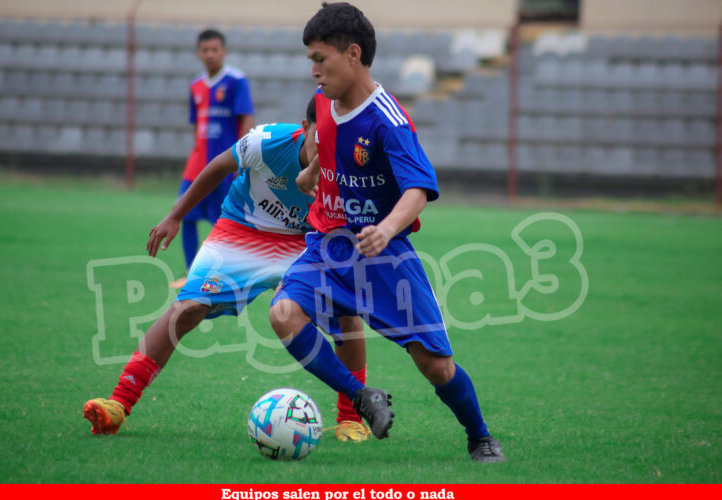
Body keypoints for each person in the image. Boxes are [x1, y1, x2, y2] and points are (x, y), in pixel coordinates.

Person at [268, 2, 505, 462]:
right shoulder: (324, 103)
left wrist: (387, 228)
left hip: (383, 254)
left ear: (352, 54)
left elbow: (420, 187)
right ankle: (361, 398)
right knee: (283, 314)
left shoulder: (387, 118)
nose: (314, 71)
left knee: (435, 366)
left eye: (321, 59)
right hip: (328, 245)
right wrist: (313, 171)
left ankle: (479, 435)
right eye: (310, 61)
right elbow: (334, 151)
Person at [83, 98, 371, 442]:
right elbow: (219, 166)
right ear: (305, 127)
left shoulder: (349, 166)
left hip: (305, 242)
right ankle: (118, 403)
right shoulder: (266, 142)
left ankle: (352, 419)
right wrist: (175, 215)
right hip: (242, 230)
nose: (326, 151)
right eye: (319, 139)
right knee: (187, 308)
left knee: (346, 316)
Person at [172, 29, 255, 288]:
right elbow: (197, 125)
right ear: (198, 52)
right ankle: (190, 273)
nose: (210, 54)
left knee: (228, 220)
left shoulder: (236, 80)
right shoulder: (195, 84)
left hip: (226, 166)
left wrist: (241, 161)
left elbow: (247, 119)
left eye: (214, 49)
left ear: (224, 51)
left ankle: (240, 271)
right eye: (205, 50)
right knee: (184, 213)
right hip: (197, 164)